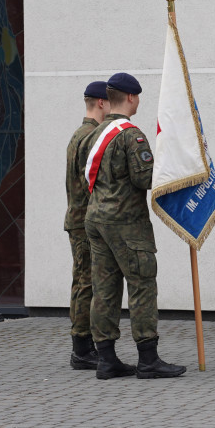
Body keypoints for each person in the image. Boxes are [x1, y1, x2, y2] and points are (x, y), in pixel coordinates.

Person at [85, 72, 186, 379]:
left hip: (96, 218)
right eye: (138, 96)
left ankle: (105, 359)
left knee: (104, 289)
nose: (139, 101)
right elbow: (144, 179)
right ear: (130, 98)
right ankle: (148, 358)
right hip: (126, 223)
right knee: (142, 285)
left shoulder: (95, 132)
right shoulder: (132, 135)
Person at [63, 80, 109, 369]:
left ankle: (84, 345)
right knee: (86, 283)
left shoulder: (80, 134)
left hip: (78, 219)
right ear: (102, 103)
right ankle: (81, 348)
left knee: (84, 282)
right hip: (84, 222)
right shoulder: (90, 137)